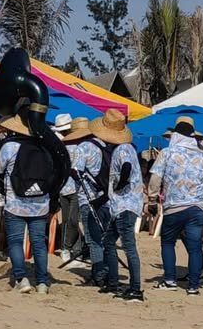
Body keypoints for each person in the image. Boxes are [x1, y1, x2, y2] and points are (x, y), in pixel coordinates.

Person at [149, 116, 203, 296]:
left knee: (168, 242)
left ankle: (170, 280)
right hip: (197, 207)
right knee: (194, 247)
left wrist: (153, 200)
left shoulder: (167, 153)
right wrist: (199, 196)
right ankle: (194, 286)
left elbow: (155, 179)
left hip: (174, 207)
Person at [0, 115, 53, 294]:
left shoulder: (10, 147)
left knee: (16, 242)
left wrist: (4, 189)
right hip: (40, 203)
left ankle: (21, 279)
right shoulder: (46, 147)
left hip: (15, 203)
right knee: (39, 243)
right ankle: (42, 282)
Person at [91, 110, 144, 303]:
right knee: (108, 241)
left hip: (125, 206)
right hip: (121, 206)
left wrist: (121, 184)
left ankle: (136, 288)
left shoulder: (122, 150)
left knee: (129, 246)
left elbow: (127, 168)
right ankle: (113, 281)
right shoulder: (127, 148)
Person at [65, 117, 108, 287]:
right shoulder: (104, 145)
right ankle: (106, 271)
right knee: (104, 238)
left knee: (93, 239)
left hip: (88, 197)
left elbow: (76, 171)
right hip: (106, 197)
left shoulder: (83, 148)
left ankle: (98, 275)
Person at [52, 114, 85, 267]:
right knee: (69, 220)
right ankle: (70, 250)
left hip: (75, 188)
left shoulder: (75, 147)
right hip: (66, 187)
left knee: (72, 220)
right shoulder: (63, 147)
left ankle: (71, 250)